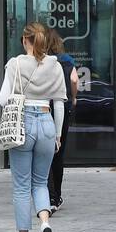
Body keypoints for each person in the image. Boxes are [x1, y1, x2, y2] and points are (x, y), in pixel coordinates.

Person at [0, 21, 68, 232]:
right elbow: (59, 104)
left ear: (24, 40)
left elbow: (2, 100)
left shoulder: (15, 64)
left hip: (22, 125)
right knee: (40, 183)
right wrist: (57, 135)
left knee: (21, 186)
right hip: (47, 123)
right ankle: (45, 224)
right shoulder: (55, 66)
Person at [44, 28, 80, 213]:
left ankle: (48, 195)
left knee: (45, 152)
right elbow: (74, 80)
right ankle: (56, 195)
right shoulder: (66, 60)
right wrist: (73, 98)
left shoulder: (42, 61)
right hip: (63, 106)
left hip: (44, 107)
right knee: (58, 151)